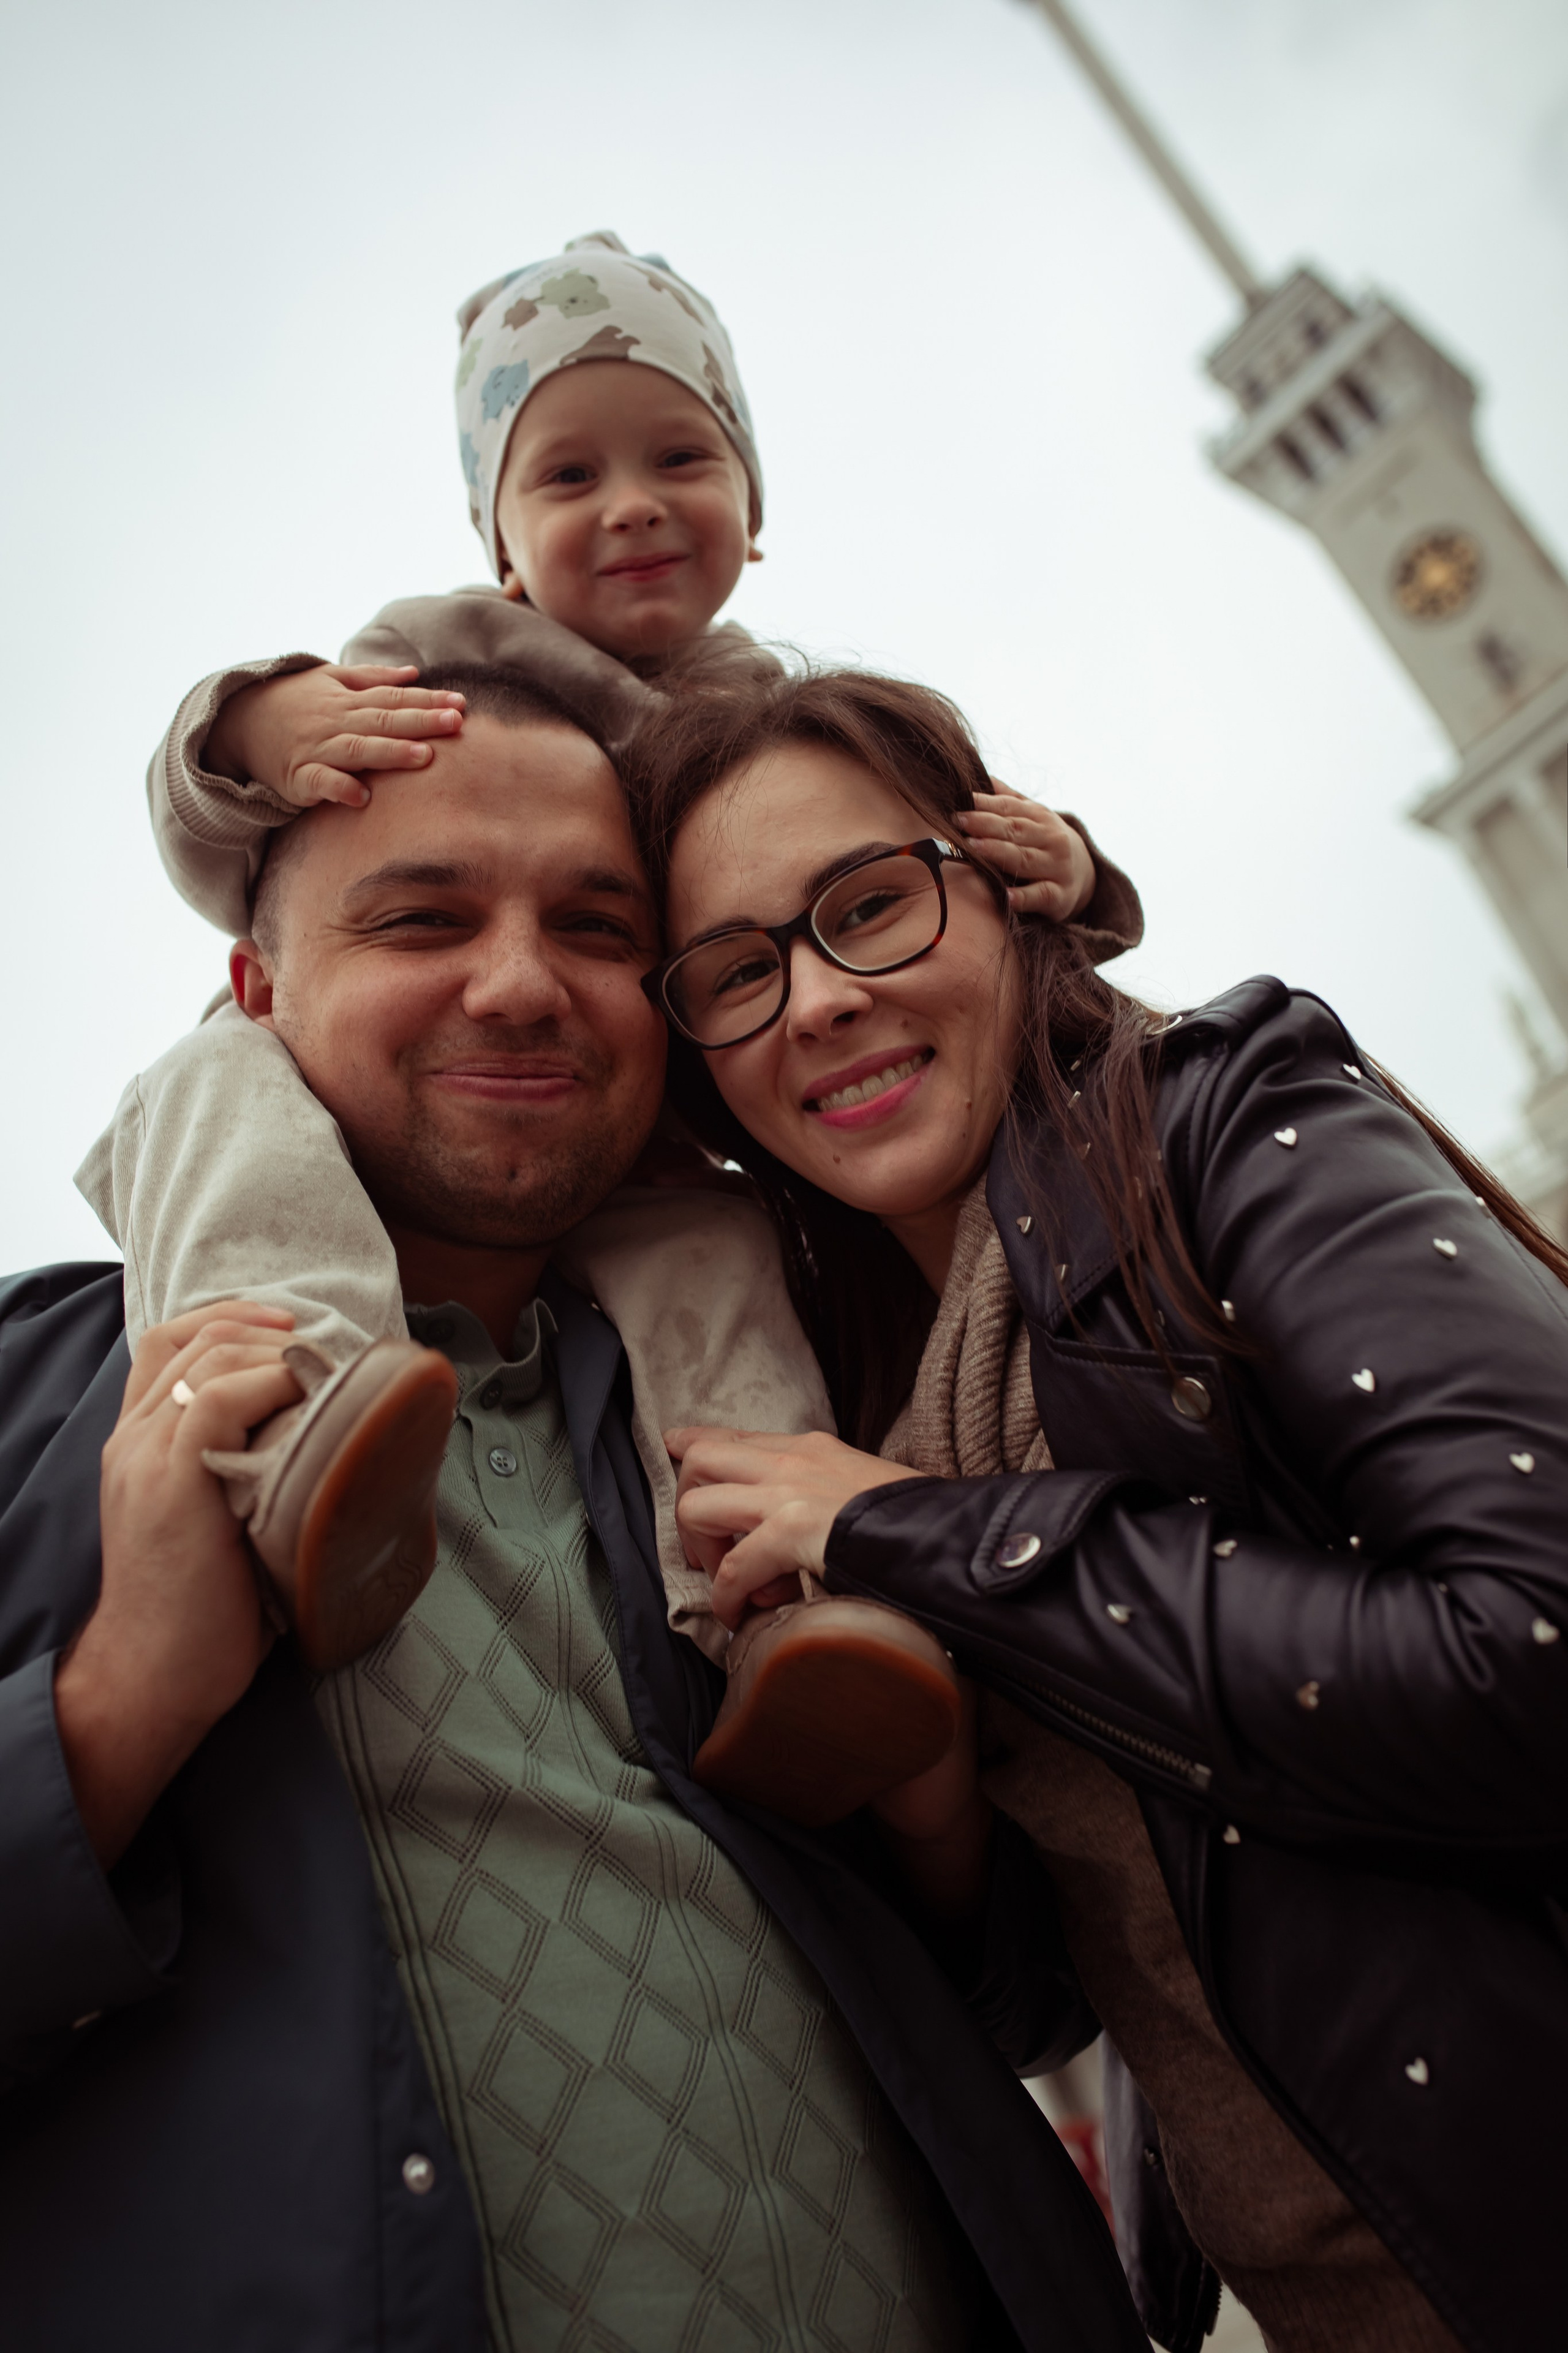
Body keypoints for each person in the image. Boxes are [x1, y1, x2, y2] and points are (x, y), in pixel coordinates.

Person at [0, 687, 1152, 2352]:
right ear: (253, 997)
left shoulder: (803, 1436)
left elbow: (1028, 2015)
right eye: (422, 919)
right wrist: (120, 1699)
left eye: (599, 931)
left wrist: (934, 1820)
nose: (522, 983)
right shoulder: (37, 1408)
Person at [614, 663, 1568, 2353]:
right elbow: (1068, 1991)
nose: (816, 1000)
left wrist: (915, 1536)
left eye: (868, 905)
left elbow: (1534, 1650)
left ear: (1007, 888)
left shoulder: (1227, 1120)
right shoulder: (857, 1403)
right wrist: (933, 1808)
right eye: (738, 972)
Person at [85, 228, 1140, 1714]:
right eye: (568, 475)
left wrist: (1073, 872)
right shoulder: (442, 653)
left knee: (715, 1258)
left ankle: (779, 1609)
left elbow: (937, 890)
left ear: (753, 513)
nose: (631, 504)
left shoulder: (772, 716)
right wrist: (251, 726)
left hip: (623, 1121)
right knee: (220, 1102)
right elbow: (248, 843)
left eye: (681, 459)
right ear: (502, 545)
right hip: (343, 1099)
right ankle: (292, 1429)